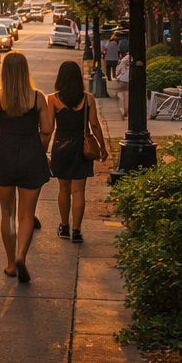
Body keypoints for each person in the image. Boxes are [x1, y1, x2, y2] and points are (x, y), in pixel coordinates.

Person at [0, 53, 55, 284]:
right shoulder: (38, 98)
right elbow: (47, 129)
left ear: (4, 72)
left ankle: (11, 264)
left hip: (3, 155)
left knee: (7, 213)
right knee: (27, 213)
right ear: (25, 71)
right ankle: (22, 256)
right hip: (31, 153)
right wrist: (38, 148)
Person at [48, 61, 106, 243]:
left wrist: (44, 150)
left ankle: (64, 227)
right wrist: (102, 147)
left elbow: (48, 127)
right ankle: (77, 231)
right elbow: (94, 124)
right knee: (79, 191)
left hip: (61, 146)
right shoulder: (88, 99)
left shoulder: (53, 99)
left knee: (63, 189)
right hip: (81, 147)